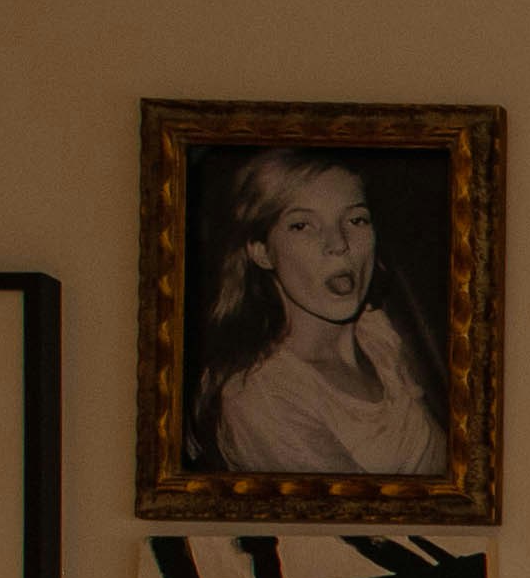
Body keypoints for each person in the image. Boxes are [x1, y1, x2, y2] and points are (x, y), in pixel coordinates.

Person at [190, 146, 455, 477]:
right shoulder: (262, 398)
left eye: (356, 219)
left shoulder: (375, 332)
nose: (339, 243)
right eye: (302, 225)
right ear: (261, 251)